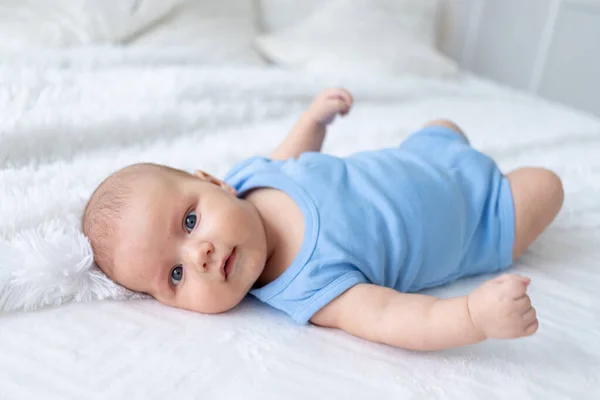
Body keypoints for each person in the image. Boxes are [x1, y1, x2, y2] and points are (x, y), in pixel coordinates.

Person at [82, 88, 564, 351]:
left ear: (213, 182)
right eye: (176, 275)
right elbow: (393, 317)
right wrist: (472, 317)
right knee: (546, 186)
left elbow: (291, 158)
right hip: (479, 218)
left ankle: (444, 139)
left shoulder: (249, 179)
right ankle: (511, 190)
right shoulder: (310, 289)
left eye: (188, 223)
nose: (199, 254)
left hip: (420, 156)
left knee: (443, 126)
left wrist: (313, 121)